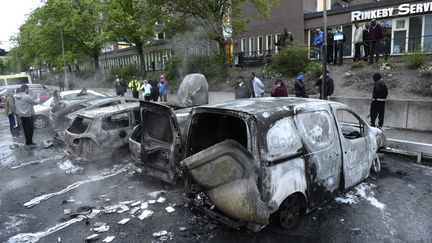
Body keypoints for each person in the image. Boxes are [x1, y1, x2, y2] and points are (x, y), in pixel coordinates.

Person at [15, 84, 39, 149]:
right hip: (28, 116)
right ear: (26, 89)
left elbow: (27, 102)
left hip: (21, 116)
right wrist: (37, 97)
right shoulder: (26, 96)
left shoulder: (16, 96)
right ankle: (29, 143)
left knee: (26, 130)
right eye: (28, 89)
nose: (28, 90)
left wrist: (32, 97)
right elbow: (36, 102)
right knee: (30, 130)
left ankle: (28, 142)